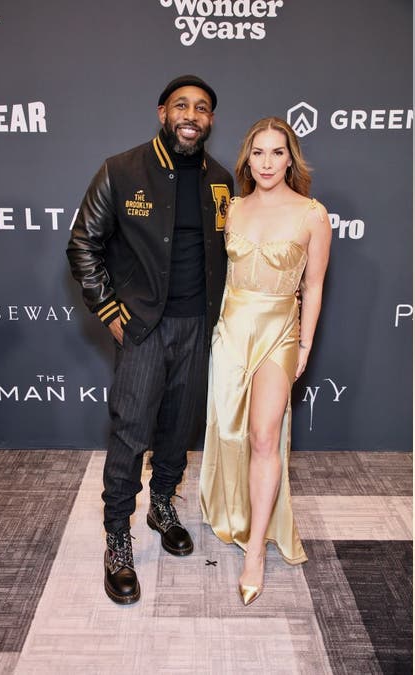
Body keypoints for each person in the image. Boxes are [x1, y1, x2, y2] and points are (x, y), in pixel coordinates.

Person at [66, 75, 234, 605]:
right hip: (142, 326)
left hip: (198, 327)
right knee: (130, 431)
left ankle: (162, 504)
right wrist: (111, 310)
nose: (192, 114)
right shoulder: (121, 170)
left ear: (210, 120)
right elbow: (82, 244)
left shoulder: (222, 179)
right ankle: (118, 536)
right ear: (162, 112)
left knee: (178, 427)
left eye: (202, 108)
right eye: (181, 105)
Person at [198, 116, 332, 605]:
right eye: (259, 152)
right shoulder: (230, 209)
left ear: (290, 158)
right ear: (247, 159)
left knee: (263, 436)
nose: (268, 162)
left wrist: (305, 344)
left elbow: (313, 287)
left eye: (278, 152)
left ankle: (255, 549)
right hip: (231, 330)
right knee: (229, 432)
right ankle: (231, 509)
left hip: (279, 331)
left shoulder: (312, 214)